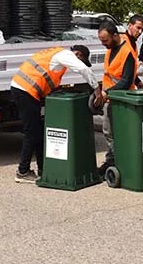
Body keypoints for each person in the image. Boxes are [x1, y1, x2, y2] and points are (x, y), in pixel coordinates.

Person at [10, 45, 99, 183]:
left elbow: (47, 78)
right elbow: (83, 69)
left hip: (25, 91)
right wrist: (97, 89)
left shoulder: (56, 56)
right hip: (25, 91)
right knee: (32, 132)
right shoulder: (66, 55)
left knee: (38, 132)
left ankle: (43, 169)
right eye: (81, 59)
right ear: (78, 54)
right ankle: (22, 171)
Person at [97, 21, 138, 173]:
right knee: (109, 133)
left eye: (105, 40)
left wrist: (106, 92)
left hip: (121, 99)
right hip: (110, 97)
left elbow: (126, 81)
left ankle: (117, 163)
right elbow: (110, 73)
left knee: (117, 134)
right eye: (101, 41)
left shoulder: (127, 52)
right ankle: (111, 161)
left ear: (115, 36)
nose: (103, 44)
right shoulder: (111, 48)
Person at [125, 14, 143, 88]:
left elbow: (129, 69)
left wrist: (137, 81)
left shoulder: (133, 44)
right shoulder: (122, 42)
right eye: (138, 28)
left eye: (142, 29)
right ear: (130, 25)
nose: (140, 32)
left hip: (125, 89)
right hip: (115, 90)